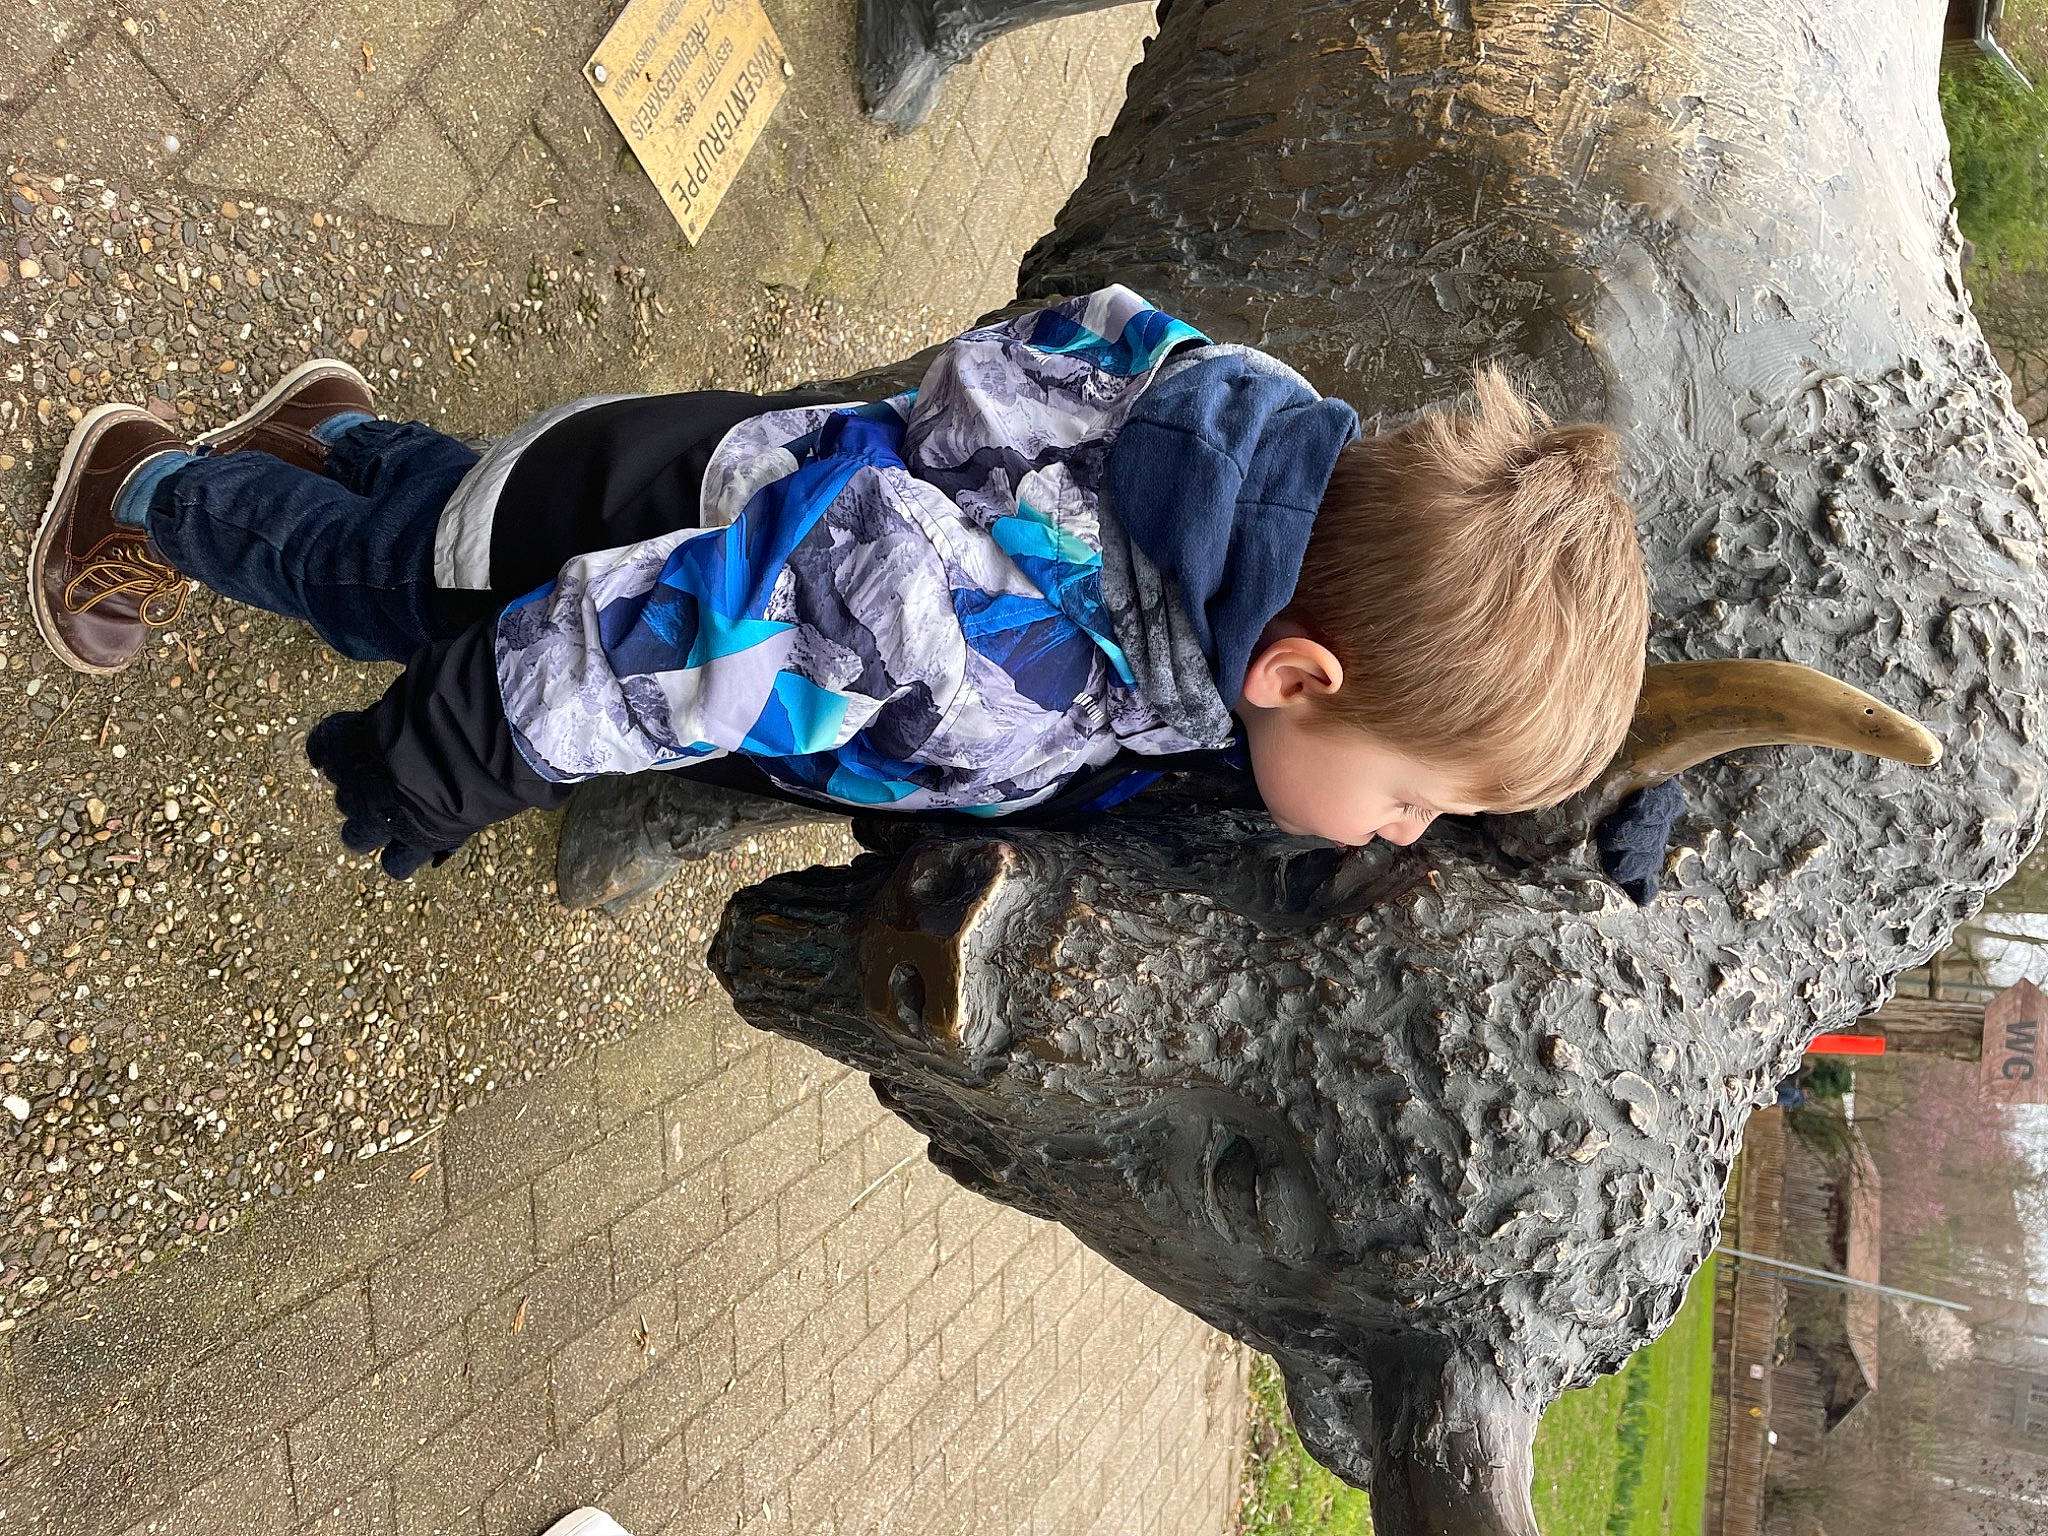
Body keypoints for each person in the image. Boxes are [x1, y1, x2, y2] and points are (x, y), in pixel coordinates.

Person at [27, 286, 1647, 877]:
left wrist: (1547, 791)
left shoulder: (1224, 476)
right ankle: (155, 490)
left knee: (441, 500)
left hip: (646, 472)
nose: (1412, 829)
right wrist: (437, 767)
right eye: (1422, 801)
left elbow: (1317, 713)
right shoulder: (963, 634)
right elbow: (635, 653)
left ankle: (340, 431)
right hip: (573, 572)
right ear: (1298, 679)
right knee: (376, 583)